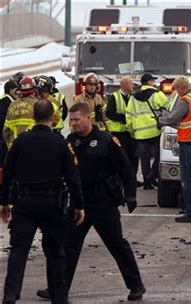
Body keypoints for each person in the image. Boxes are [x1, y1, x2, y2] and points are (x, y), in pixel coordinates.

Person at [36, 102, 145, 301]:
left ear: (89, 118)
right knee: (67, 247)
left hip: (103, 202)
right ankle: (58, 289)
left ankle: (136, 285)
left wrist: (131, 195)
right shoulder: (70, 141)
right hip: (80, 203)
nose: (74, 123)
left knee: (117, 245)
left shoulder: (106, 140)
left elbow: (126, 169)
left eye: (77, 120)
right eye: (72, 120)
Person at [1, 100, 85, 304]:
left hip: (24, 203)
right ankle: (59, 297)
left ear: (32, 117)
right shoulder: (60, 143)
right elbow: (73, 176)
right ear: (53, 118)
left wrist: (4, 203)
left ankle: (11, 294)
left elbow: (8, 174)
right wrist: (79, 205)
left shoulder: (21, 141)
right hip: (51, 204)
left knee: (19, 251)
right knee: (56, 252)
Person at [158, 76, 191, 222]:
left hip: (190, 142)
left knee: (188, 179)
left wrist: (160, 119)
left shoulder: (187, 100)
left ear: (182, 88)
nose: (177, 93)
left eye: (177, 90)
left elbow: (172, 118)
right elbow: (188, 121)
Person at [126, 73, 169, 189]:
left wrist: (131, 131)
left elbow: (128, 116)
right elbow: (168, 109)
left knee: (144, 158)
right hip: (155, 130)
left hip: (139, 133)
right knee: (159, 156)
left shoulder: (133, 98)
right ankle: (152, 176)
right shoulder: (158, 94)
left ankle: (146, 182)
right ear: (149, 82)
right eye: (152, 81)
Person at [106, 77, 139, 178]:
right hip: (118, 134)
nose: (133, 86)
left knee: (134, 157)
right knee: (121, 158)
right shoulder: (114, 97)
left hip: (131, 134)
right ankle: (122, 179)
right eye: (131, 84)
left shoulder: (133, 97)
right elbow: (109, 114)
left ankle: (132, 179)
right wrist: (125, 118)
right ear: (125, 85)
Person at [3, 76, 37, 149]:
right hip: (32, 147)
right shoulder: (37, 105)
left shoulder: (12, 105)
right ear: (34, 90)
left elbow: (6, 131)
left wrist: (10, 147)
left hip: (15, 148)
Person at [0, 80, 18, 166]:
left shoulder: (8, 100)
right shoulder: (6, 102)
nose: (18, 91)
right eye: (16, 89)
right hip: (3, 138)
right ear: (11, 90)